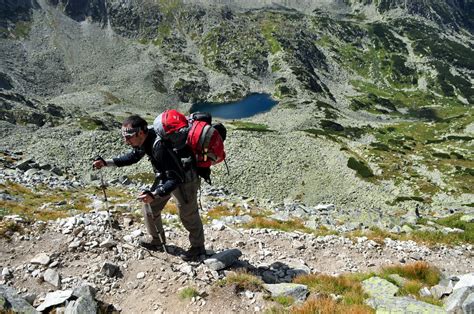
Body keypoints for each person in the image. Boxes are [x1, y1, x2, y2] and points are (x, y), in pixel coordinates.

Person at [93, 114, 205, 261]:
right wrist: (106, 162)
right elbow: (132, 157)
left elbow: (176, 178)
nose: (126, 141)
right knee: (149, 205)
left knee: (187, 214)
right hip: (167, 176)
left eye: (129, 137)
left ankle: (198, 248)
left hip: (185, 179)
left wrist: (156, 192)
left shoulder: (160, 147)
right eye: (125, 137)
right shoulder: (145, 139)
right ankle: (157, 240)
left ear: (140, 132)